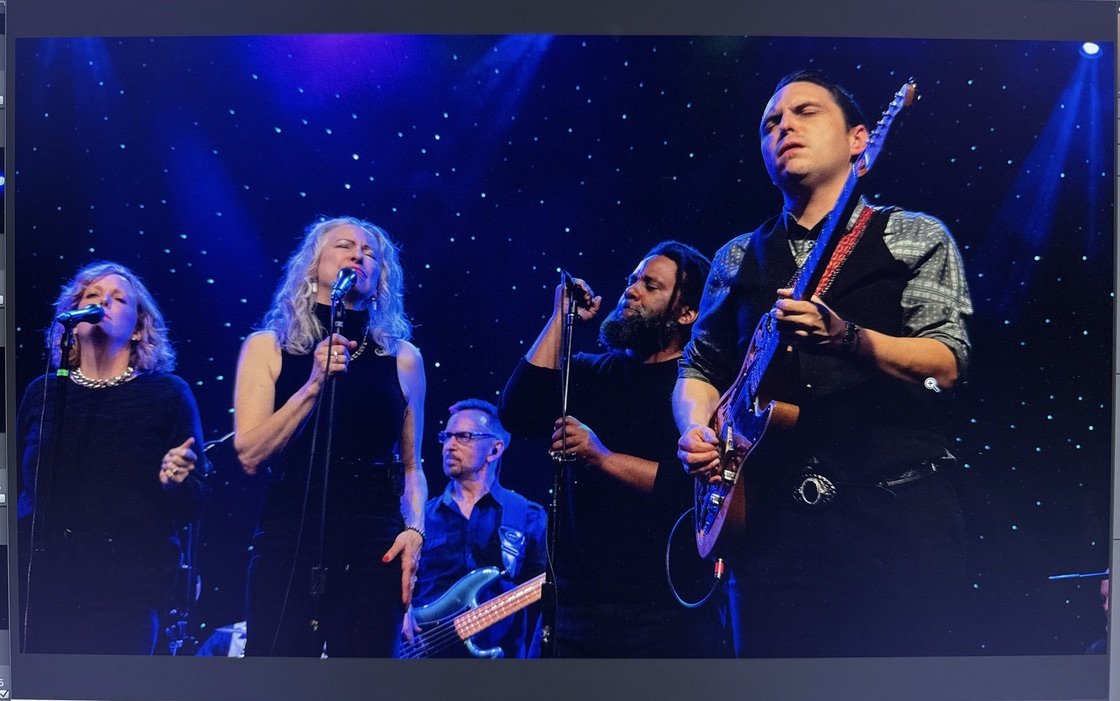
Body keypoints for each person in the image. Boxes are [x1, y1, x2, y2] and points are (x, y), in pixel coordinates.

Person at [674, 69, 973, 657]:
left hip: (895, 518)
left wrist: (850, 340)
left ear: (861, 138)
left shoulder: (913, 235)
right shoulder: (736, 256)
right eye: (770, 124)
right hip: (770, 529)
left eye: (804, 112)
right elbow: (700, 369)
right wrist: (693, 427)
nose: (783, 125)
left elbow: (948, 362)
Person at [500, 241, 727, 658]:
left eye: (650, 285)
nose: (631, 290)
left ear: (687, 312)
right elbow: (518, 411)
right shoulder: (589, 372)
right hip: (574, 609)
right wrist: (561, 319)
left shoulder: (698, 389)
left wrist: (601, 458)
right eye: (632, 280)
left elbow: (690, 492)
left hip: (663, 613)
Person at [233, 216, 426, 657]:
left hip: (374, 538)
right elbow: (249, 454)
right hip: (291, 529)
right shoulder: (268, 347)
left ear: (380, 279)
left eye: (370, 252)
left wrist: (415, 529)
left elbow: (413, 466)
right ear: (313, 265)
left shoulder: (403, 358)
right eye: (343, 246)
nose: (357, 255)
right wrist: (313, 385)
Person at [17, 261, 207, 654]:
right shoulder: (44, 393)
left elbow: (195, 503)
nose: (104, 301)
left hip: (126, 586)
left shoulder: (167, 394)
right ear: (72, 316)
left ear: (138, 328)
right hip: (41, 583)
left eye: (120, 299)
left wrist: (175, 480)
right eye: (92, 295)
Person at [403, 399, 547, 659]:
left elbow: (551, 597)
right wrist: (400, 613)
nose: (450, 445)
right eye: (446, 437)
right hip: (421, 661)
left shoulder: (526, 516)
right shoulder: (418, 518)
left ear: (495, 449)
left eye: (464, 436)